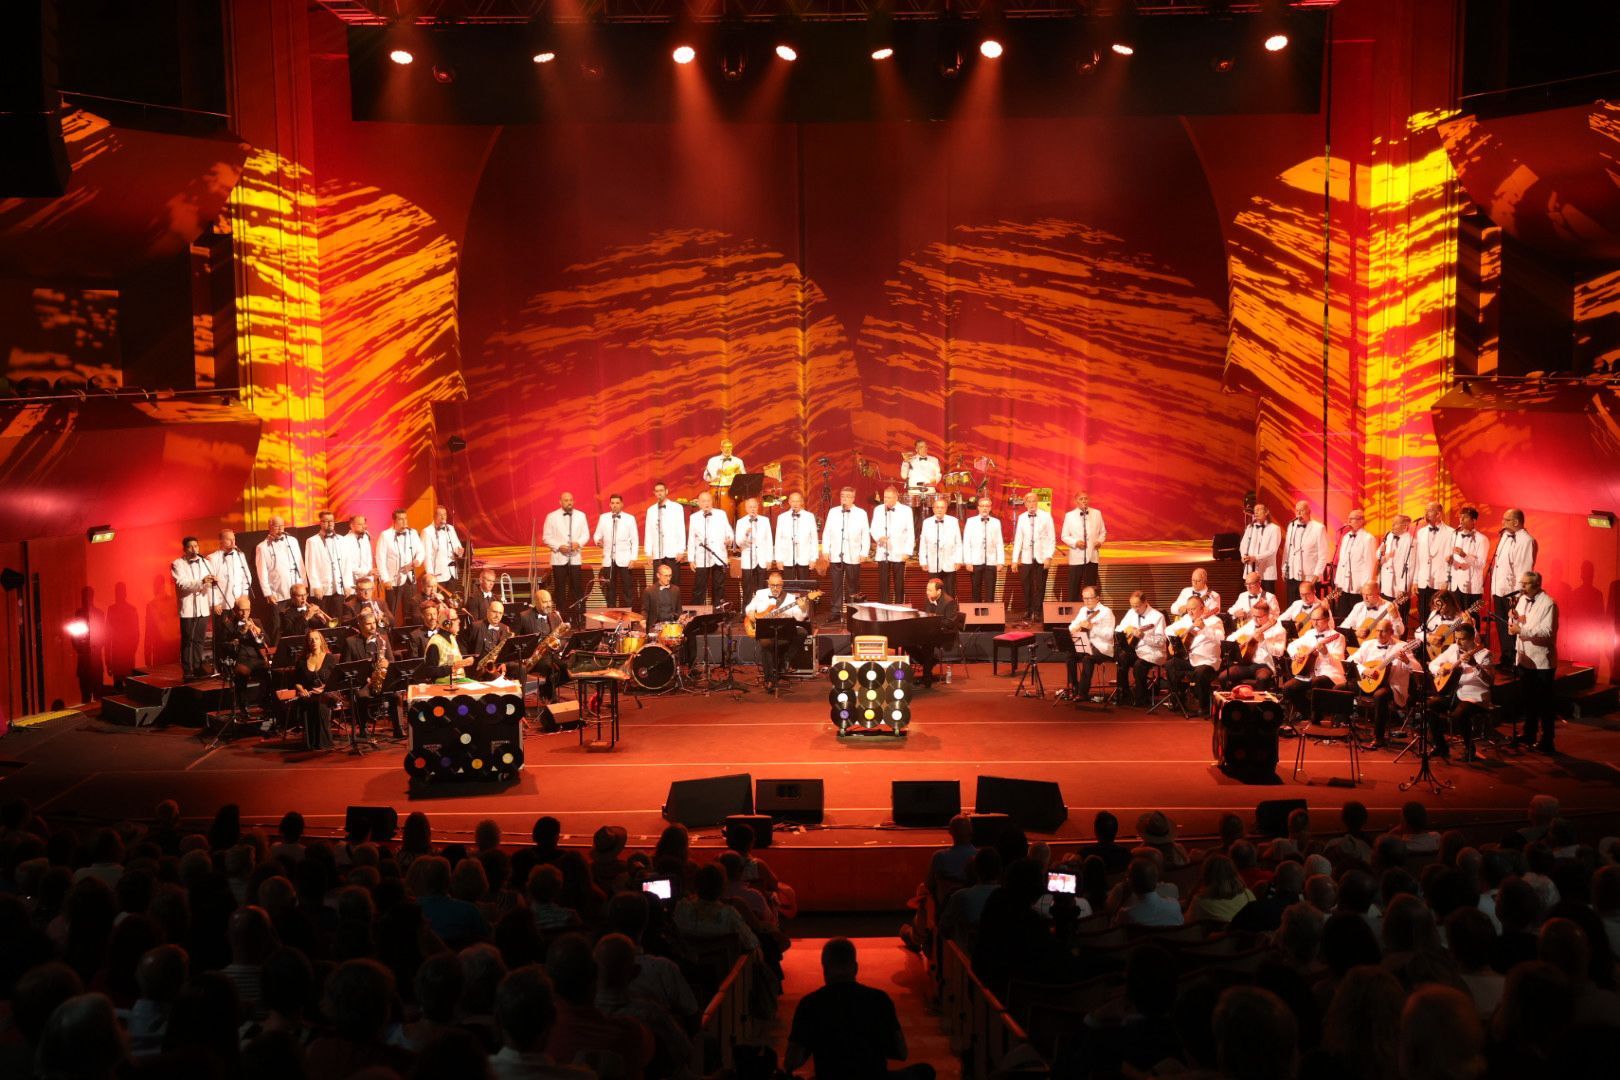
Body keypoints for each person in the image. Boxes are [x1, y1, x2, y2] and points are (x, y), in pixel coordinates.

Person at [786, 938, 935, 1080]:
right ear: (856, 968)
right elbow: (901, 1053)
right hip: (874, 1077)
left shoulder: (809, 1004)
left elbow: (792, 1061)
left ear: (824, 969)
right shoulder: (879, 999)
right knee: (925, 1071)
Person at [1427, 620, 1492, 761]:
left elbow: (1489, 680)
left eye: (1462, 639)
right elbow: (1432, 664)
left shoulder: (1484, 654)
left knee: (1459, 714)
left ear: (1471, 639)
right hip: (1454, 693)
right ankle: (1441, 747)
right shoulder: (1453, 649)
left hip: (1474, 695)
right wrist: (1440, 669)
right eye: (1456, 638)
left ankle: (1470, 749)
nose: (1458, 642)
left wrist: (1475, 665)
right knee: (1431, 705)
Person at [1510, 570, 1559, 753]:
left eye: (1525, 584)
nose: (1521, 587)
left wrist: (1521, 631)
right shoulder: (1522, 600)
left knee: (1544, 703)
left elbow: (1547, 631)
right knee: (1528, 699)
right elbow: (1521, 623)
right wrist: (1514, 617)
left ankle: (1548, 740)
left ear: (1537, 585)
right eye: (1521, 583)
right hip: (1525, 658)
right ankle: (1529, 733)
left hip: (1541, 662)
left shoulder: (1549, 603)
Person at [1349, 620, 1416, 749]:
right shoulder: (1368, 644)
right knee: (1342, 687)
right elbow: (1351, 660)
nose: (1379, 634)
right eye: (1378, 630)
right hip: (1368, 683)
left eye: (1383, 631)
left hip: (1391, 686)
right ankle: (1342, 727)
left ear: (1391, 632)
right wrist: (1365, 670)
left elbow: (1416, 669)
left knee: (1380, 695)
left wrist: (1407, 661)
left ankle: (1379, 737)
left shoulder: (1402, 646)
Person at [745, 571, 810, 692]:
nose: (775, 588)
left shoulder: (790, 598)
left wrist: (803, 607)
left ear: (782, 584)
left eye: (778, 585)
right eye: (772, 585)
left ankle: (786, 659)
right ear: (768, 584)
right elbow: (748, 608)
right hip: (765, 630)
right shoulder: (760, 594)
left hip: (783, 631)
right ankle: (769, 679)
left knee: (802, 632)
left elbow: (800, 618)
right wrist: (751, 613)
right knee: (765, 644)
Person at [1281, 606, 1347, 722]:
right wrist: (1296, 654)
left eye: (1318, 620)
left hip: (1330, 674)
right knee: (1288, 687)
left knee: (1317, 681)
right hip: (1309, 674)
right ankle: (1307, 712)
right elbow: (1291, 646)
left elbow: (1337, 662)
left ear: (1327, 619)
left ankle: (1315, 720)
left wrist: (1325, 653)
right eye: (1313, 619)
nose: (1315, 623)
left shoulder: (1338, 637)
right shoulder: (1309, 633)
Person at [1491, 508, 1537, 660]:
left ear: (1516, 522)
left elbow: (1523, 569)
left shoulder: (1526, 540)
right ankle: (1506, 657)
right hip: (1499, 589)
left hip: (1512, 593)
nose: (1502, 523)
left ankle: (1513, 660)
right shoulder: (1505, 536)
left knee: (1511, 626)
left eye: (1506, 520)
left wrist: (1517, 595)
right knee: (1501, 626)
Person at [1166, 594, 1222, 712]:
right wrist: (1174, 641)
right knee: (1171, 664)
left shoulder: (1215, 621)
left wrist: (1205, 628)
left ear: (1202, 608)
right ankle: (1177, 699)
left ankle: (1203, 706)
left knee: (1200, 672)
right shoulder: (1186, 619)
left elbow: (1220, 639)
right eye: (1188, 609)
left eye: (1193, 609)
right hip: (1191, 659)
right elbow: (1168, 629)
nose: (1190, 612)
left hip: (1207, 661)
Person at [821, 486, 870, 615]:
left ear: (853, 498)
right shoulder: (833, 512)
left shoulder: (861, 513)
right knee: (836, 585)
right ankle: (836, 611)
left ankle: (852, 612)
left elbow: (865, 534)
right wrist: (826, 550)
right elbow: (827, 532)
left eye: (848, 497)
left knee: (852, 586)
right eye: (843, 496)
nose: (845, 499)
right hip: (836, 554)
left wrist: (864, 552)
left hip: (853, 555)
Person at [1220, 599, 1286, 692]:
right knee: (1224, 676)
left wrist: (1263, 641)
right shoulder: (1251, 624)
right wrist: (1241, 642)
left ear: (1267, 615)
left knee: (1262, 678)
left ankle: (1259, 705)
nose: (1255, 619)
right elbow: (1230, 638)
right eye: (1253, 616)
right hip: (1247, 664)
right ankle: (1235, 703)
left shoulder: (1279, 630)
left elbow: (1279, 652)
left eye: (1259, 616)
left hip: (1266, 665)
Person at [171, 536, 213, 681]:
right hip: (188, 609)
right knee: (188, 640)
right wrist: (202, 582)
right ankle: (187, 669)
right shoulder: (177, 564)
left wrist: (211, 582)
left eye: (196, 546)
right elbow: (182, 584)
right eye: (190, 546)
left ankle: (197, 666)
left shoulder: (206, 563)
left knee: (199, 640)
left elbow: (210, 581)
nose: (194, 549)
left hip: (203, 606)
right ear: (184, 549)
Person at [1010, 491, 1056, 625]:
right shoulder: (1022, 517)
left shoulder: (1046, 516)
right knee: (1027, 585)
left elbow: (1051, 538)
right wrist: (1014, 559)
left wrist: (1049, 556)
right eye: (1028, 501)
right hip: (1026, 557)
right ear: (1025, 504)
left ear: (1037, 502)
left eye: (1034, 501)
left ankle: (1037, 611)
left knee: (1040, 586)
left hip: (1041, 556)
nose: (1031, 504)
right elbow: (1018, 539)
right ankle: (1028, 610)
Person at [1116, 591, 1167, 707]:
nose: (1135, 609)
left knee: (1139, 665)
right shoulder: (1131, 612)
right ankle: (1124, 694)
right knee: (1122, 658)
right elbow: (1120, 627)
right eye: (1132, 606)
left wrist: (1144, 636)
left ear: (1145, 603)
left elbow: (1161, 641)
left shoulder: (1158, 616)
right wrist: (1127, 630)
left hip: (1153, 652)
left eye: (1137, 606)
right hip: (1136, 650)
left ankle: (1141, 698)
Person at [542, 493, 587, 621]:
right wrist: (558, 546)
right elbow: (546, 537)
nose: (569, 502)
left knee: (577, 589)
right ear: (560, 502)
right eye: (566, 500)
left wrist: (578, 543)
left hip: (575, 558)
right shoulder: (551, 517)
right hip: (558, 559)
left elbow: (585, 534)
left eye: (571, 500)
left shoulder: (581, 515)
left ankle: (579, 618)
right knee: (560, 590)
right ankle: (561, 619)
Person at [1064, 585, 1114, 702]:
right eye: (1084, 598)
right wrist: (1074, 628)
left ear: (1098, 598)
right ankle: (1075, 687)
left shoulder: (1106, 612)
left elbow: (1109, 635)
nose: (1086, 601)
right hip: (1085, 644)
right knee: (1069, 656)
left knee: (1087, 659)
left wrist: (1092, 627)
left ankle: (1082, 693)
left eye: (1089, 598)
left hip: (1101, 647)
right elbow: (1072, 625)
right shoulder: (1083, 610)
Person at [289, 629, 337, 750]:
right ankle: (311, 742)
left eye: (316, 638)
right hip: (309, 695)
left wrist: (324, 689)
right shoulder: (301, 661)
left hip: (328, 694)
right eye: (311, 639)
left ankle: (323, 742)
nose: (314, 641)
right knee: (308, 703)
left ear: (321, 641)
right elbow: (296, 682)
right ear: (307, 643)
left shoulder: (330, 658)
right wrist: (301, 690)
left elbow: (337, 679)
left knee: (320, 704)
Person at [685, 489, 733, 608]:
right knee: (699, 587)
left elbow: (729, 532)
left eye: (708, 500)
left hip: (718, 556)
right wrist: (691, 559)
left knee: (719, 587)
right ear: (699, 503)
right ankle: (697, 615)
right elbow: (691, 539)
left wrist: (729, 539)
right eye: (703, 501)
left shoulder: (721, 514)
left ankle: (718, 614)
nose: (706, 503)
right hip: (702, 557)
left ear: (712, 502)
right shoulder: (694, 517)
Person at [377, 509, 425, 626]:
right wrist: (385, 579)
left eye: (405, 519)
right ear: (394, 520)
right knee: (391, 611)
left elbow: (421, 551)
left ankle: (409, 636)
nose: (404, 522)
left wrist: (415, 562)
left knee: (410, 610)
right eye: (401, 519)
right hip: (393, 580)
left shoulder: (412, 533)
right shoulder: (385, 535)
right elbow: (380, 558)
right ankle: (391, 637)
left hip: (409, 579)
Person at [592, 494, 639, 610]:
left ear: (622, 504)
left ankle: (629, 617)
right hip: (609, 559)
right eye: (612, 503)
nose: (614, 505)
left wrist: (633, 558)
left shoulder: (629, 518)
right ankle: (611, 617)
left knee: (627, 589)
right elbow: (597, 534)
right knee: (610, 589)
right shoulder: (604, 518)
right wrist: (598, 541)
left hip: (625, 559)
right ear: (609, 504)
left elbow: (635, 539)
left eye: (617, 503)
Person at [870, 486, 915, 604]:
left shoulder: (906, 510)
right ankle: (883, 607)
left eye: (889, 498)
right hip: (883, 550)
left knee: (899, 583)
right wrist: (879, 537)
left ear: (896, 497)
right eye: (885, 497)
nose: (886, 500)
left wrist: (908, 551)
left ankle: (899, 607)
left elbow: (910, 532)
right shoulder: (878, 509)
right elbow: (873, 528)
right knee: (883, 583)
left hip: (899, 551)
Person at [1331, 508, 1377, 620]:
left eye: (1352, 519)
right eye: (1349, 519)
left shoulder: (1368, 538)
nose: (1349, 521)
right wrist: (1338, 582)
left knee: (1357, 617)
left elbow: (1369, 564)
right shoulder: (1346, 537)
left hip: (1358, 586)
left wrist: (1365, 586)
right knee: (1342, 615)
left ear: (1361, 521)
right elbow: (1342, 562)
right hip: (1344, 585)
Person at [1060, 491, 1107, 599]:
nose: (1084, 501)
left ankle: (1090, 610)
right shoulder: (1070, 515)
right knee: (1074, 587)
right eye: (1081, 499)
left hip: (1092, 557)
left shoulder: (1097, 513)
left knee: (1090, 588)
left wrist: (1099, 541)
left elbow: (1103, 532)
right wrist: (1075, 542)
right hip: (1076, 557)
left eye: (1085, 498)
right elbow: (1064, 536)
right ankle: (1072, 611)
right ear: (1076, 501)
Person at [1283, 500, 1330, 604]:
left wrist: (1317, 574)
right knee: (1292, 606)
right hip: (1292, 575)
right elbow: (1287, 549)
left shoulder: (1318, 528)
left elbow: (1323, 554)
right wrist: (1284, 568)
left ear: (1309, 512)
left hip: (1309, 577)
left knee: (1309, 607)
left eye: (1302, 511)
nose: (1299, 514)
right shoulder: (1292, 526)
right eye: (1297, 511)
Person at [304, 510, 349, 619]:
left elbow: (346, 564)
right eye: (326, 521)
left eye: (332, 521)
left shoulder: (341, 540)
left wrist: (347, 585)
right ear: (321, 522)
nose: (330, 524)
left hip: (338, 588)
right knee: (323, 619)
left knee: (338, 618)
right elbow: (311, 565)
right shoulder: (312, 541)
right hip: (323, 589)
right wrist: (315, 586)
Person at [915, 577, 959, 687]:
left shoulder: (949, 602)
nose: (927, 592)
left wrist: (934, 621)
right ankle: (930, 663)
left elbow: (950, 622)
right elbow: (926, 616)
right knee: (910, 642)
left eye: (930, 590)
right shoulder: (929, 599)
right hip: (932, 631)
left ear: (938, 591)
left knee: (927, 644)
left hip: (946, 633)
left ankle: (927, 677)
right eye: (927, 589)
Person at [961, 496, 1005, 602]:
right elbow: (966, 542)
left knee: (990, 590)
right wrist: (968, 561)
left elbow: (999, 542)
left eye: (987, 506)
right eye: (982, 506)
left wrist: (1000, 562)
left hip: (991, 561)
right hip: (975, 561)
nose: (984, 508)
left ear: (990, 508)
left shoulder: (996, 522)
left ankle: (990, 615)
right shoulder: (971, 521)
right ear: (978, 508)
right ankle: (977, 614)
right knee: (976, 589)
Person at [917, 496, 962, 597]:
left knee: (950, 591)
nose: (939, 510)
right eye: (937, 507)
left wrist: (958, 560)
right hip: (933, 562)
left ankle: (949, 612)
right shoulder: (927, 522)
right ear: (933, 509)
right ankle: (935, 612)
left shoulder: (953, 521)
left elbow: (958, 542)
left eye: (942, 507)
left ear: (946, 509)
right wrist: (923, 561)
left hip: (949, 562)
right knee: (934, 591)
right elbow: (923, 543)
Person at [255, 515, 305, 605]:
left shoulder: (292, 541)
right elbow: (262, 573)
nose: (280, 529)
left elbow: (300, 563)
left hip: (297, 592)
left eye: (282, 526)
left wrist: (304, 584)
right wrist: (268, 593)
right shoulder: (262, 547)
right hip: (278, 592)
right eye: (277, 526)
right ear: (269, 527)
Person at [1447, 505, 1487, 617]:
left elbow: (1481, 564)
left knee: (1471, 618)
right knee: (1456, 617)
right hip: (1455, 584)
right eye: (1460, 518)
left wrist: (1465, 555)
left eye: (1464, 518)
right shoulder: (1455, 535)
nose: (1461, 520)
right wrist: (1449, 560)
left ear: (1473, 520)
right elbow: (1452, 558)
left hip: (1472, 586)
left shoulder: (1481, 539)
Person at [734, 495, 773, 605]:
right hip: (748, 561)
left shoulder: (765, 521)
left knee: (762, 589)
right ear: (746, 509)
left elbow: (769, 541)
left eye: (754, 507)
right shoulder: (741, 522)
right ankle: (746, 612)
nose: (752, 509)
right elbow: (738, 542)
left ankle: (761, 610)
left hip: (762, 559)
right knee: (747, 588)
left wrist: (769, 559)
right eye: (750, 507)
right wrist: (746, 534)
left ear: (758, 507)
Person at [1339, 579, 1404, 646]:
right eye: (1363, 594)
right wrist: (1355, 633)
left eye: (1369, 595)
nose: (1365, 598)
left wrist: (1395, 617)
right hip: (1360, 648)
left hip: (1383, 648)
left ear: (1378, 593)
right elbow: (1344, 627)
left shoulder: (1390, 607)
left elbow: (1400, 632)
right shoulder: (1359, 606)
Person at [773, 490, 818, 583]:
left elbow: (814, 539)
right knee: (788, 587)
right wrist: (778, 559)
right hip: (787, 558)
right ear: (789, 502)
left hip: (805, 558)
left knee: (804, 587)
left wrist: (813, 558)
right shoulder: (782, 517)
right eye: (793, 501)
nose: (795, 504)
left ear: (801, 502)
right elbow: (778, 540)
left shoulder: (809, 516)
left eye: (797, 501)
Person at [643, 481, 685, 578]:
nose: (659, 493)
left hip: (673, 552)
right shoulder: (651, 510)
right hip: (658, 553)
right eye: (657, 491)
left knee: (674, 581)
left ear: (666, 491)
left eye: (661, 490)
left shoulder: (677, 507)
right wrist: (648, 553)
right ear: (654, 493)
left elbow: (680, 529)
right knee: (658, 582)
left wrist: (681, 550)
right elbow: (648, 532)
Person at [1376, 513, 1418, 608]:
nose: (1392, 526)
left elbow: (1411, 567)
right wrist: (1382, 553)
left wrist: (1403, 588)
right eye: (1392, 523)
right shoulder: (1388, 536)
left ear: (1405, 526)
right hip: (1386, 584)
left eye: (1395, 524)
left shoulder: (1411, 542)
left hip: (1399, 587)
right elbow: (1378, 555)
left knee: (1399, 616)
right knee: (1385, 614)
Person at [422, 505, 465, 586]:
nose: (443, 517)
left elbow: (457, 546)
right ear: (434, 516)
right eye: (440, 515)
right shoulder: (427, 532)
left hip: (452, 573)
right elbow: (427, 556)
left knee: (451, 598)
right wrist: (430, 575)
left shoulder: (450, 528)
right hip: (437, 576)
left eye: (444, 514)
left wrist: (459, 551)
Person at [1241, 502, 1282, 586]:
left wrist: (1256, 558)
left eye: (1259, 510)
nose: (1256, 512)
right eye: (1255, 510)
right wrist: (1243, 556)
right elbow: (1243, 545)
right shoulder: (1250, 527)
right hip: (1250, 570)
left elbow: (1272, 550)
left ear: (1266, 512)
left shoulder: (1274, 529)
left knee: (1266, 597)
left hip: (1266, 572)